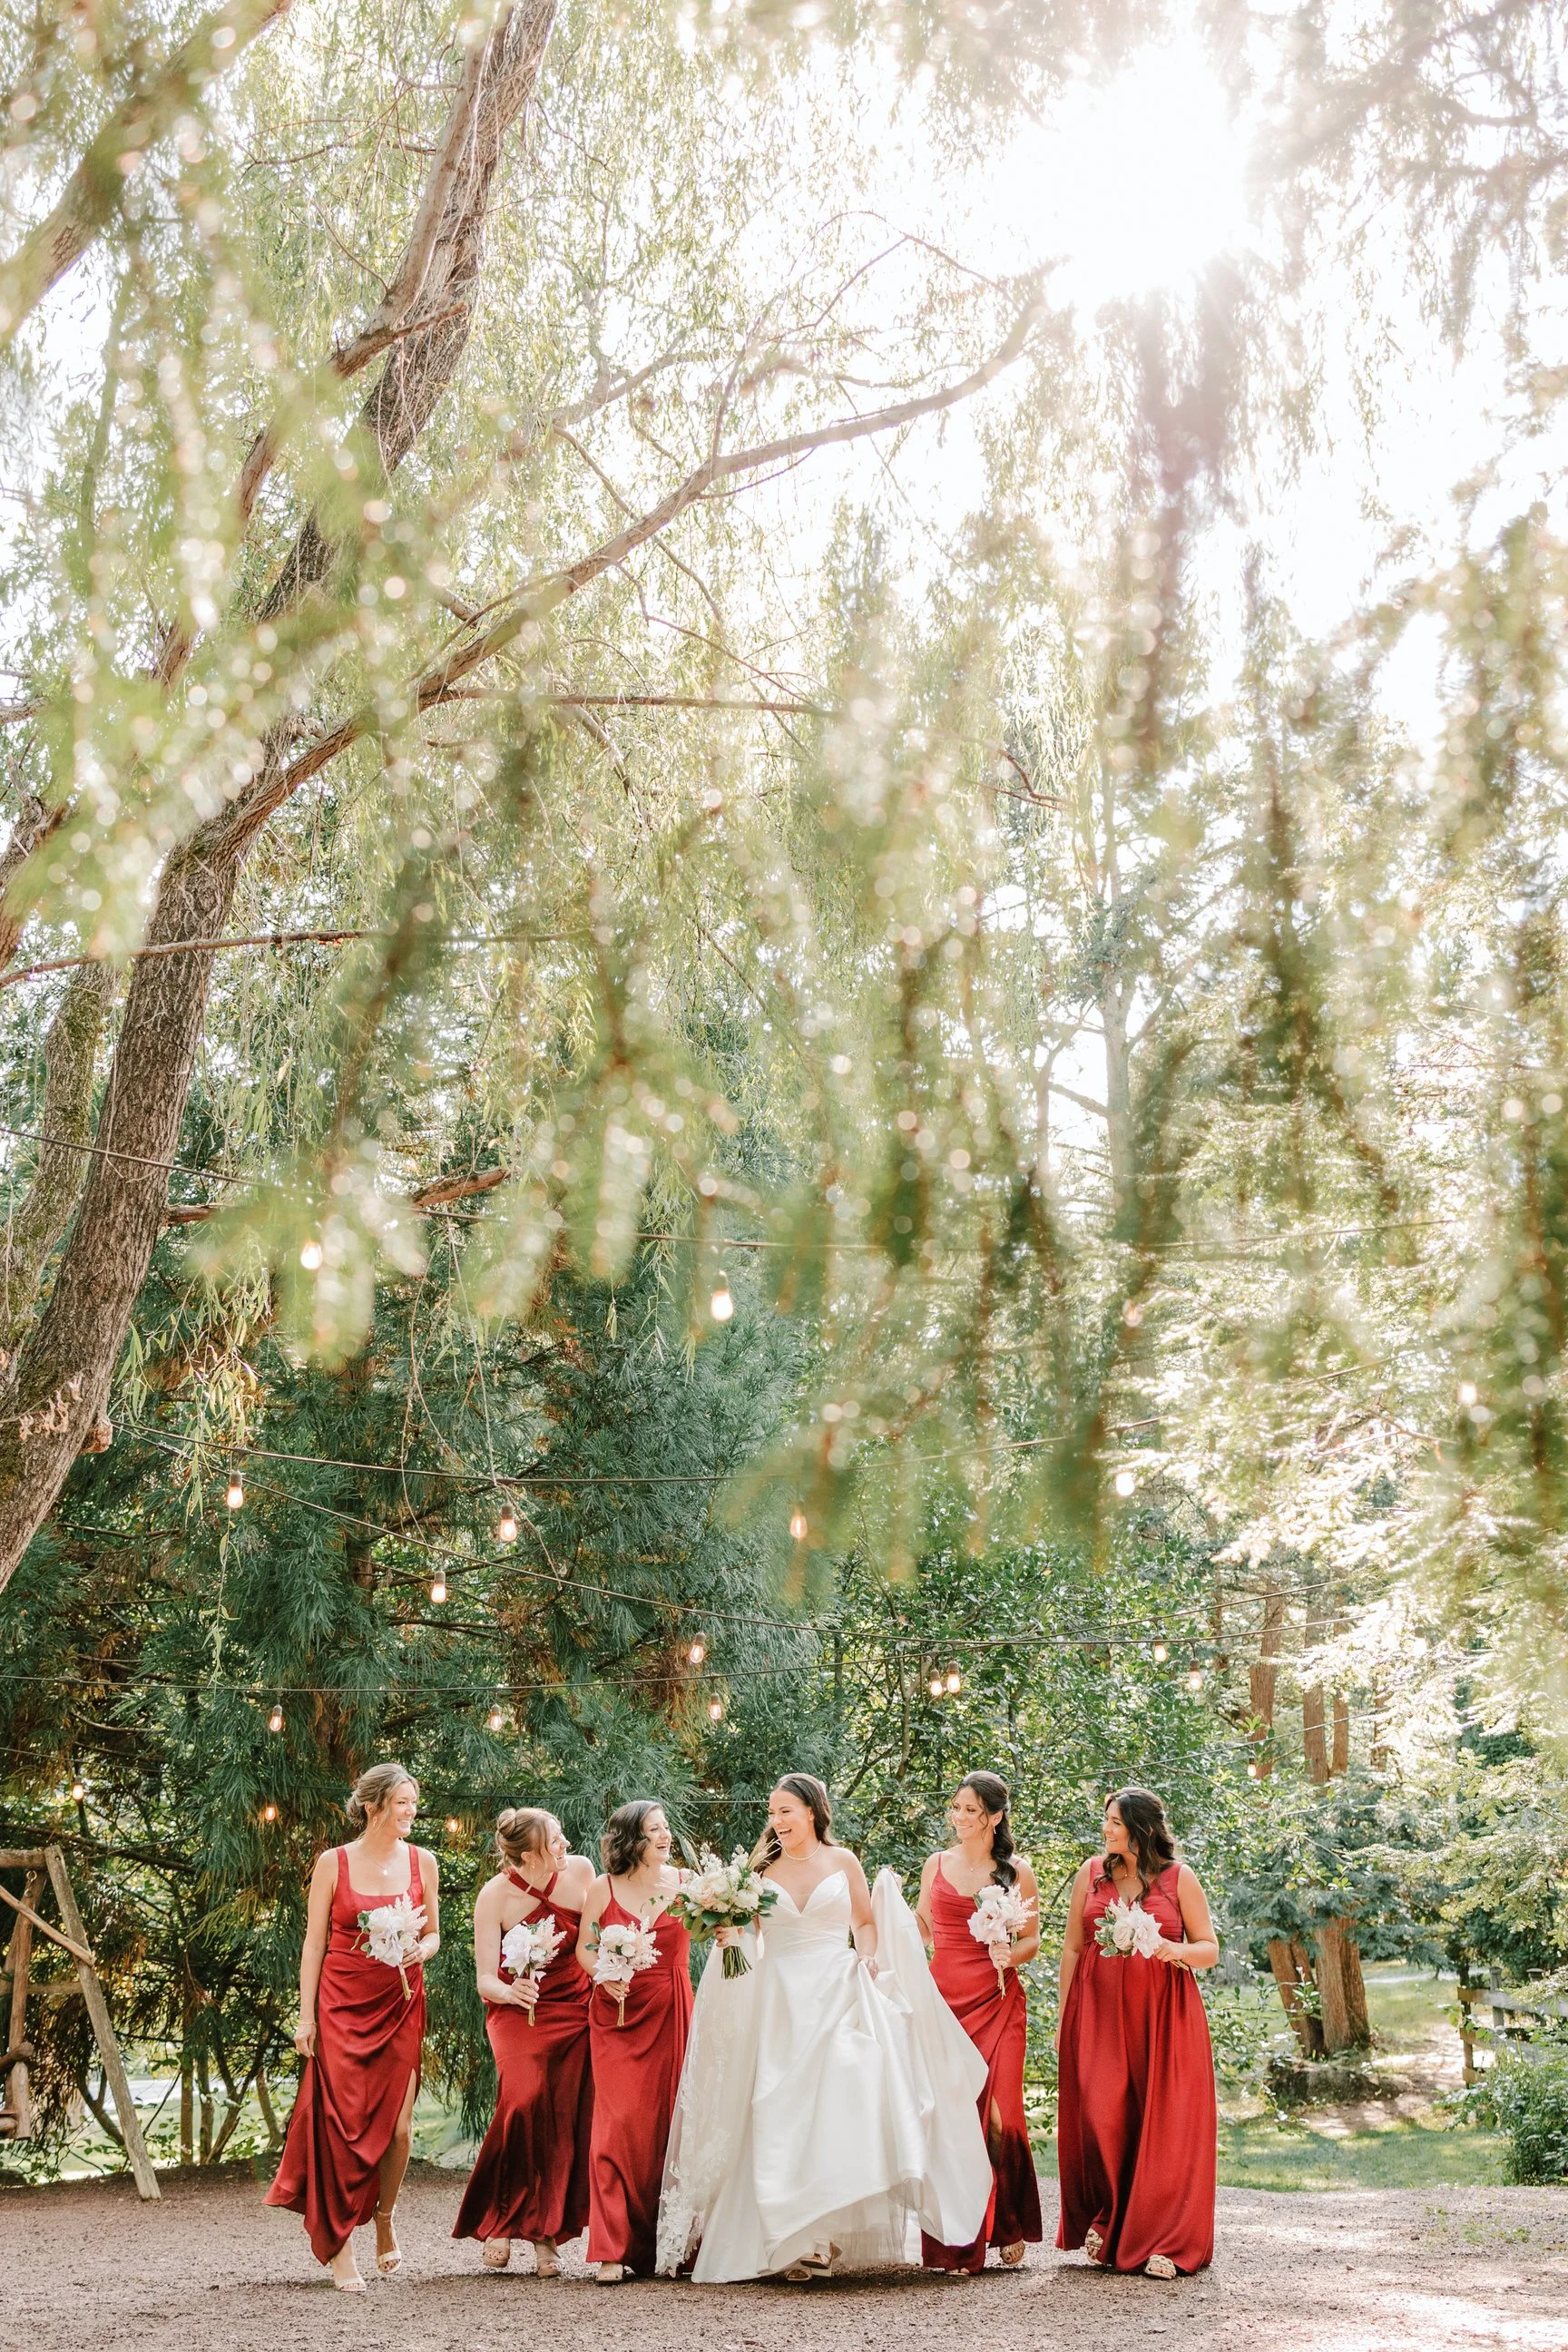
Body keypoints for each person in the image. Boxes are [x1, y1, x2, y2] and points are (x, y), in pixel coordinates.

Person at [658, 1771, 993, 2282]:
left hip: (837, 1989)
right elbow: (746, 1933)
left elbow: (863, 1921)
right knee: (779, 2107)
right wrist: (728, 1934)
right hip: (779, 1999)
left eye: (785, 1811)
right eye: (771, 1813)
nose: (776, 1821)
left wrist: (870, 1957)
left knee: (840, 2098)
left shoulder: (843, 1861)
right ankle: (791, 2237)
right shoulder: (760, 1866)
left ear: (812, 1811)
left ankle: (825, 2233)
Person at [265, 1762, 440, 2291]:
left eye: (414, 1802)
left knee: (400, 2130)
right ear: (373, 1806)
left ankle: (384, 2218)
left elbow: (434, 1934)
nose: (412, 1811)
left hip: (401, 2001)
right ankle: (341, 2249)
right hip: (341, 2005)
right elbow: (314, 1944)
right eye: (403, 1803)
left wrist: (420, 1948)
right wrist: (305, 2016)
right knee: (341, 2129)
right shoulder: (332, 1863)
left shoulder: (423, 1861)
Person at [1055, 1785, 1219, 2277]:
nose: (1106, 1830)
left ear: (1142, 1830)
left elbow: (1209, 1949)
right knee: (1103, 2115)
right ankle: (1108, 2219)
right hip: (1099, 2014)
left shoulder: (1177, 1878)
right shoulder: (1091, 1873)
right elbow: (1071, 1948)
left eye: (1115, 1823)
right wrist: (1067, 2014)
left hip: (1164, 2017)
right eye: (1106, 1821)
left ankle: (1166, 2241)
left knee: (1165, 2126)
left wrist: (1177, 1951)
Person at [454, 1807, 595, 2275]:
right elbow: (484, 1980)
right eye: (555, 1840)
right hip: (517, 2012)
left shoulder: (581, 1874)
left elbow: (593, 1945)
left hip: (574, 2008)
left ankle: (544, 2233)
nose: (566, 1846)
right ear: (530, 1855)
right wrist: (510, 1991)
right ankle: (500, 2214)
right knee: (524, 2097)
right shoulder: (493, 1897)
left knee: (560, 2111)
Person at [916, 1769, 1044, 2273]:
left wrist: (1008, 1955)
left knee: (1002, 2113)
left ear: (994, 1816)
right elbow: (924, 1925)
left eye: (971, 1810)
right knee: (953, 2115)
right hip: (943, 2004)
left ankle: (1007, 2221)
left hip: (998, 2000)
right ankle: (958, 2239)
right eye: (956, 1808)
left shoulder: (1016, 1872)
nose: (960, 1817)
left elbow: (1032, 1939)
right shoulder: (936, 1864)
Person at [574, 1798, 693, 2282]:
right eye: (652, 1831)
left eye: (666, 1828)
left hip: (671, 2007)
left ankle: (668, 2246)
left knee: (669, 2121)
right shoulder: (602, 1889)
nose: (664, 1837)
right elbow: (585, 1944)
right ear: (631, 1840)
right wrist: (603, 1973)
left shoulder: (687, 1886)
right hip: (616, 2014)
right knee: (617, 2123)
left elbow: (721, 1931)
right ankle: (610, 2247)